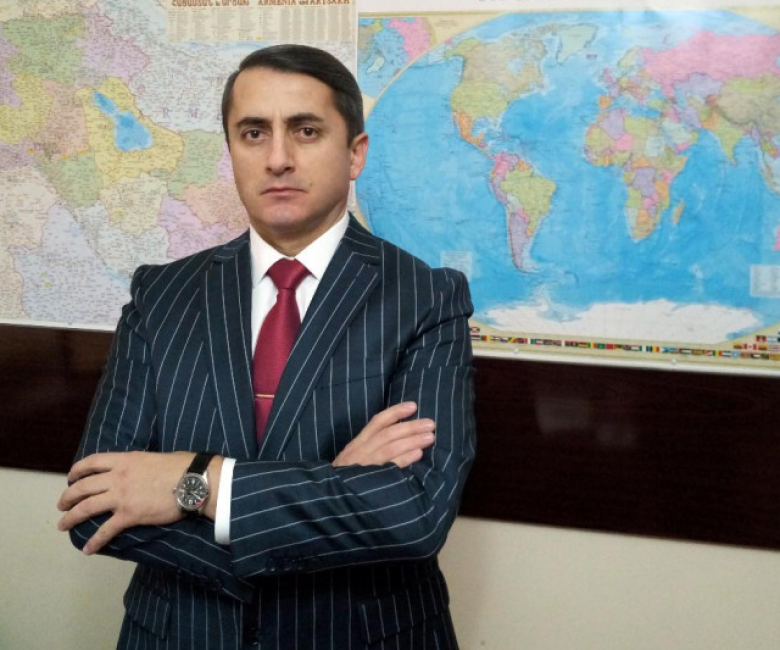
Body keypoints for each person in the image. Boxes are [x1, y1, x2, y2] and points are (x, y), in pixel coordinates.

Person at [57, 44, 475, 650]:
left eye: (306, 131)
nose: (278, 158)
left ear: (355, 153)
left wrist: (197, 483)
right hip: (183, 634)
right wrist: (334, 483)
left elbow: (413, 513)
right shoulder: (161, 294)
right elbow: (93, 504)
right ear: (231, 151)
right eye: (254, 133)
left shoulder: (426, 297)